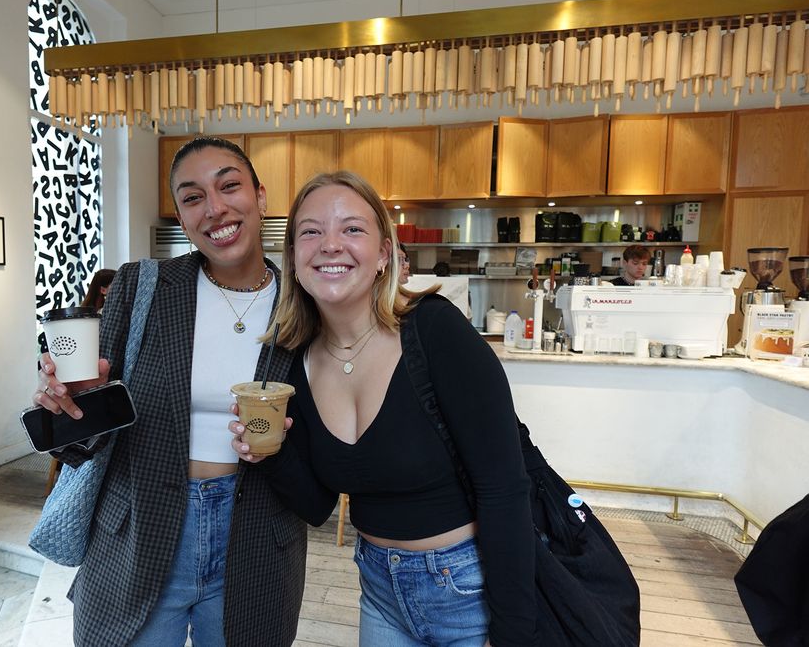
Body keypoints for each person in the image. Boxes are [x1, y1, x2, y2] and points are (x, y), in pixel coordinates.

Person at [231, 171, 538, 646]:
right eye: (310, 231)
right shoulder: (296, 361)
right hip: (378, 590)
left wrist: (516, 633)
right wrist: (269, 454)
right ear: (292, 257)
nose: (330, 244)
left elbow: (505, 489)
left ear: (383, 254)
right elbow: (318, 505)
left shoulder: (435, 332)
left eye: (352, 229)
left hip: (469, 589)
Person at [33, 136, 306, 647]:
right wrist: (68, 404)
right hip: (140, 531)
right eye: (193, 197)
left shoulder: (302, 302)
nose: (215, 208)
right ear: (181, 217)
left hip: (256, 536)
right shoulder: (142, 287)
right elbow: (82, 440)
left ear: (261, 195)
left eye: (229, 186)